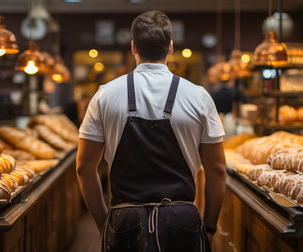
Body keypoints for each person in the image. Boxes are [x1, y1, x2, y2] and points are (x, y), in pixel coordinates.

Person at [76, 10, 226, 251]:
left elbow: (84, 168)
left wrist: (105, 225)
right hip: (183, 224)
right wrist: (208, 229)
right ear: (170, 47)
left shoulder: (104, 95)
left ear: (134, 47)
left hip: (125, 223)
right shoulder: (198, 96)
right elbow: (217, 170)